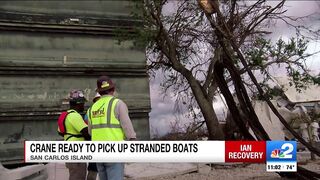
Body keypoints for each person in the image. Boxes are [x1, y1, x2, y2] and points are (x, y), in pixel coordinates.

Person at [87, 76, 136, 180]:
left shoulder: (92, 108)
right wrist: (132, 140)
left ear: (99, 92)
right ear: (113, 90)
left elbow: (90, 132)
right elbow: (127, 126)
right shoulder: (118, 104)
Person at [59, 90, 90, 180]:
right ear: (78, 103)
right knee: (78, 176)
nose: (83, 106)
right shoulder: (75, 116)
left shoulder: (65, 115)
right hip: (76, 151)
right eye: (82, 103)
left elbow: (60, 132)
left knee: (73, 175)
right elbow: (86, 133)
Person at [84, 92, 101, 180]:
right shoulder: (90, 111)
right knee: (94, 166)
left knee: (94, 165)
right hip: (95, 140)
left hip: (96, 140)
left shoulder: (90, 110)